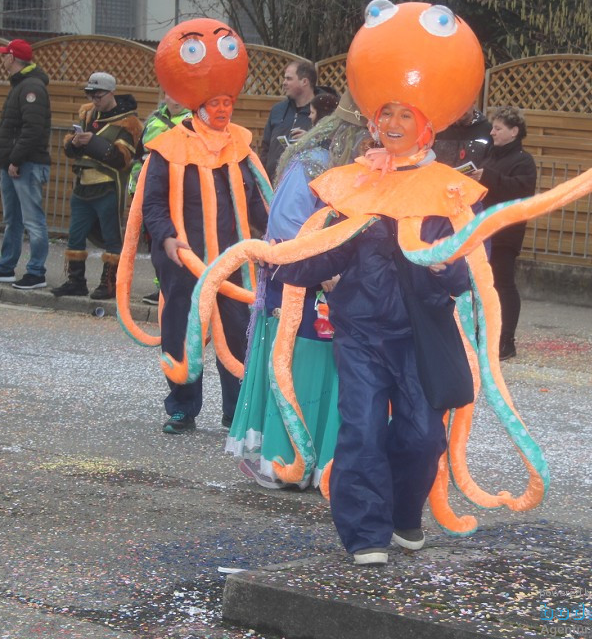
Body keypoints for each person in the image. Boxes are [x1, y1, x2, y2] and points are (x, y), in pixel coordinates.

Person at [277, 99, 472, 564]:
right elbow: (332, 252)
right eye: (386, 114)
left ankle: (404, 513)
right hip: (360, 329)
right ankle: (365, 531)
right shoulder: (359, 180)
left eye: (407, 114)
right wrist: (286, 260)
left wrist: (444, 267)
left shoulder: (445, 189)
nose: (394, 124)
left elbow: (464, 276)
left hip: (419, 332)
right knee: (361, 429)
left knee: (423, 435)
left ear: (426, 127)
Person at [229, 91, 370, 490]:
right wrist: (327, 270)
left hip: (337, 290)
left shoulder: (361, 169)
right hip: (302, 288)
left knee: (328, 370)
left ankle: (322, 462)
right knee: (299, 366)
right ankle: (283, 460)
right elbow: (288, 227)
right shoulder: (312, 165)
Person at [135, 18, 268, 434]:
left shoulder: (241, 145)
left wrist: (273, 239)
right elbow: (152, 203)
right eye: (216, 104)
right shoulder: (168, 148)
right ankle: (181, 406)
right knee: (180, 331)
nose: (224, 110)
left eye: (229, 103)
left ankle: (237, 413)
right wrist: (168, 237)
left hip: (232, 261)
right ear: (198, 106)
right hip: (182, 262)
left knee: (238, 334)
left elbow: (257, 200)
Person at [51, 72, 143, 300]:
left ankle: (109, 284)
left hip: (108, 187)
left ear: (111, 92)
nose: (94, 99)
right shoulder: (88, 113)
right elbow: (70, 150)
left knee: (111, 238)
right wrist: (73, 142)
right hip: (83, 185)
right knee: (75, 235)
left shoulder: (129, 121)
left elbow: (122, 159)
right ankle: (76, 281)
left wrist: (92, 143)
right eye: (90, 94)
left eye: (98, 95)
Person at [0, 39, 52, 290]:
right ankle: (5, 267)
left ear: (13, 58)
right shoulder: (21, 85)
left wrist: (16, 159)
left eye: (4, 55)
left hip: (25, 164)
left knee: (32, 220)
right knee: (14, 219)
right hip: (15, 163)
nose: (2, 59)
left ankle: (36, 271)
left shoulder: (32, 87)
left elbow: (32, 128)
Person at [468, 106, 536, 359]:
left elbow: (520, 190)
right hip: (482, 228)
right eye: (493, 128)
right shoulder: (490, 154)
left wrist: (488, 176)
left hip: (506, 231)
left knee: (503, 285)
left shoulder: (523, 160)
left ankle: (506, 340)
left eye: (498, 128)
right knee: (482, 284)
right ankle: (482, 334)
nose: (493, 132)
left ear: (514, 131)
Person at [130, 94, 191, 305]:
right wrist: (134, 185)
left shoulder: (194, 121)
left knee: (177, 238)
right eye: (170, 94)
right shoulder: (153, 120)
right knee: (154, 240)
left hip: (180, 192)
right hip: (151, 190)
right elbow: (139, 156)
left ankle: (174, 288)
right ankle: (161, 287)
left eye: (179, 95)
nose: (176, 99)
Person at [259, 60, 317, 176]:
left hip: (303, 185)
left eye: (289, 79)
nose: (284, 82)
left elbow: (333, 148)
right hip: (272, 186)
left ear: (304, 81)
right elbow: (265, 148)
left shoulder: (322, 113)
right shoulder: (278, 110)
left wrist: (311, 138)